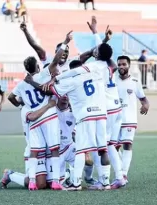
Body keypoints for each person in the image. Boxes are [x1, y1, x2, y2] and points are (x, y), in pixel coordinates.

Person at [6, 32, 74, 191]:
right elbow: (56, 60)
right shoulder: (43, 74)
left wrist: (21, 103)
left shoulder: (22, 84)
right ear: (38, 66)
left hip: (35, 121)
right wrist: (65, 41)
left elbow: (11, 97)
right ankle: (56, 180)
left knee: (37, 153)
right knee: (55, 149)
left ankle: (33, 182)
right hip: (48, 117)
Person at [43, 44, 115, 191]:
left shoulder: (73, 80)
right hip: (101, 113)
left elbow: (52, 90)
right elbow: (111, 66)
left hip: (85, 115)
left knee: (81, 150)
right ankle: (105, 182)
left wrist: (54, 79)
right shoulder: (100, 72)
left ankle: (76, 183)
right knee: (103, 149)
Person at [19, 16, 110, 72]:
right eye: (63, 50)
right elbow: (36, 46)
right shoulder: (49, 60)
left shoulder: (72, 61)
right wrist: (25, 31)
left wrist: (102, 38)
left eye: (67, 51)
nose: (65, 53)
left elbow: (92, 51)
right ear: (56, 52)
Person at [115, 55, 149, 183]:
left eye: (124, 64)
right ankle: (119, 171)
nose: (121, 67)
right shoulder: (112, 80)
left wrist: (146, 105)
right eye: (119, 64)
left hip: (129, 119)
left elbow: (143, 99)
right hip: (115, 120)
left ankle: (123, 174)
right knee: (113, 148)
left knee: (127, 145)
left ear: (129, 65)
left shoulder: (135, 81)